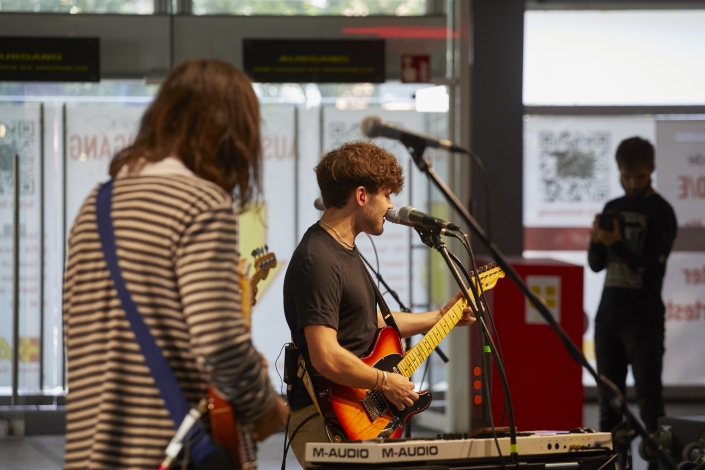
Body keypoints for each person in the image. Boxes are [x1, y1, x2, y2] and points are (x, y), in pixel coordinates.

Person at [62, 59, 289, 469]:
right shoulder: (200, 204)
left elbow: (81, 334)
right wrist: (266, 406)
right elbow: (220, 344)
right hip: (167, 450)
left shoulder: (96, 204)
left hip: (90, 452)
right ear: (229, 135)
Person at [283, 141, 476, 466]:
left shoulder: (343, 249)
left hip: (358, 410)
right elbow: (325, 356)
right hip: (328, 418)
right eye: (386, 195)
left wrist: (442, 316)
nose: (390, 205)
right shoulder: (318, 259)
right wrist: (385, 381)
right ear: (361, 196)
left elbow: (366, 321)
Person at [588, 137, 677, 440]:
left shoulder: (661, 211)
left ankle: (656, 461)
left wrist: (616, 244)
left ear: (651, 169)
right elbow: (596, 265)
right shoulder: (612, 207)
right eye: (626, 176)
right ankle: (612, 460)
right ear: (619, 171)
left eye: (639, 176)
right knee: (608, 408)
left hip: (644, 320)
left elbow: (652, 270)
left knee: (650, 407)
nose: (632, 183)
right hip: (608, 318)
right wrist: (596, 241)